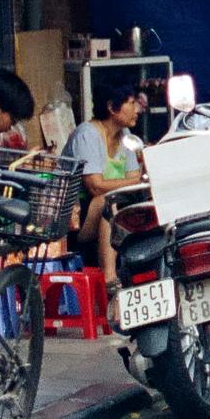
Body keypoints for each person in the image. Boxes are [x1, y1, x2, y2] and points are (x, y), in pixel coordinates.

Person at [67, 77, 149, 283]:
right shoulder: (87, 134)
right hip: (75, 217)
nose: (137, 109)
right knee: (107, 199)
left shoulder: (126, 136)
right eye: (131, 103)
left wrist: (139, 180)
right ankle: (109, 278)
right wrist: (141, 180)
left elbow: (133, 179)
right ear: (112, 107)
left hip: (106, 209)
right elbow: (95, 186)